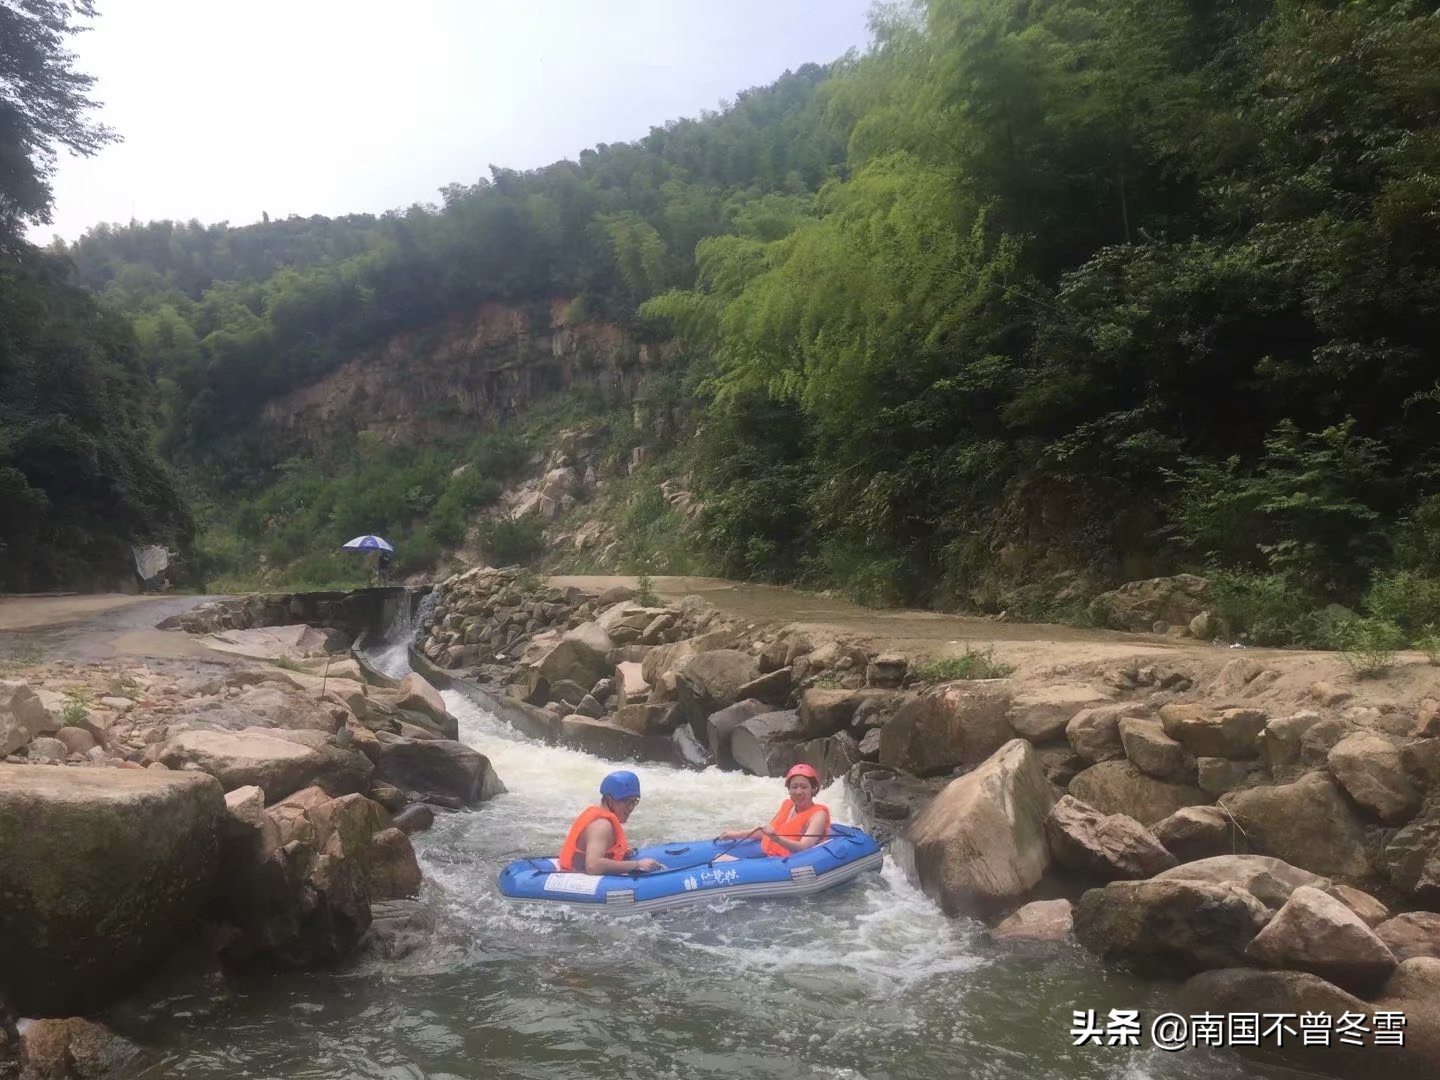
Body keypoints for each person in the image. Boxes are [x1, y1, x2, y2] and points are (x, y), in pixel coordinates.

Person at [557, 770, 666, 875]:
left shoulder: (604, 821)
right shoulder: (601, 825)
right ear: (609, 800)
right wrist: (637, 864)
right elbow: (593, 866)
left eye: (634, 802)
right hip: (575, 876)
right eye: (627, 802)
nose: (631, 808)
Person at [715, 763, 830, 859]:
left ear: (813, 789)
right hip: (771, 856)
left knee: (722, 860)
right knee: (720, 858)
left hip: (788, 862)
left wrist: (777, 839)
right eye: (794, 787)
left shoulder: (818, 815)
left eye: (804, 787)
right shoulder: (788, 805)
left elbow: (804, 847)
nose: (798, 792)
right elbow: (768, 832)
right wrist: (735, 834)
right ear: (789, 790)